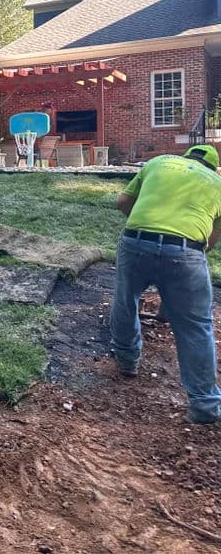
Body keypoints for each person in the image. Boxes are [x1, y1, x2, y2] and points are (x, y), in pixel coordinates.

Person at [112, 144, 221, 424]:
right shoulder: (217, 182)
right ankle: (205, 405)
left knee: (125, 301)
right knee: (196, 326)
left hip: (136, 241)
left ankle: (127, 362)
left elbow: (123, 202)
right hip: (186, 252)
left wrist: (147, 228)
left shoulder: (159, 163)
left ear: (185, 157)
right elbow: (210, 241)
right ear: (212, 165)